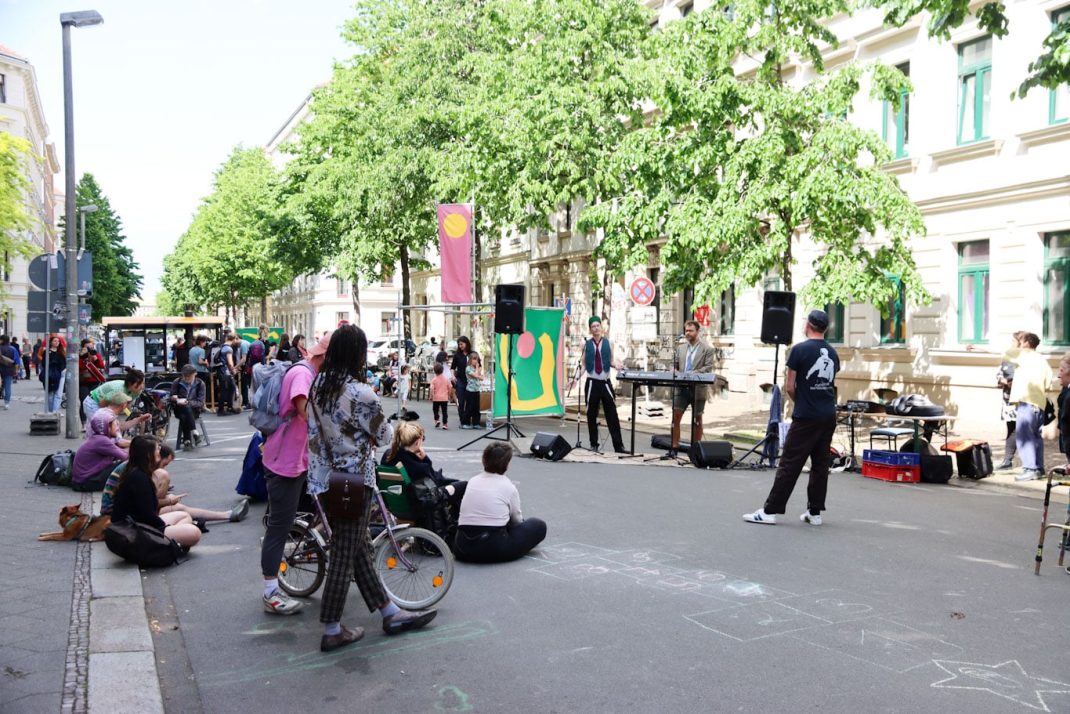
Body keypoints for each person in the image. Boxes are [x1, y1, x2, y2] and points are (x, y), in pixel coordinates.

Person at [306, 325, 436, 652]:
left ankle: (390, 612)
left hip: (324, 479)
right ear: (359, 355)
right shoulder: (362, 393)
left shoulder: (318, 385)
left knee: (358, 547)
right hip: (353, 483)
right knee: (344, 554)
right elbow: (382, 436)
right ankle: (332, 627)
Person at [743, 309, 840, 526]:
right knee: (820, 464)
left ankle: (770, 511)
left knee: (789, 463)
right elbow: (830, 384)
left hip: (806, 415)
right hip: (828, 414)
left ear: (808, 325)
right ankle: (815, 513)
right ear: (825, 328)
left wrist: (802, 401)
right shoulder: (833, 353)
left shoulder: (799, 350)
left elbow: (790, 386)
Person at [259, 331, 329, 616]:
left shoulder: (307, 371)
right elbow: (305, 411)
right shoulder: (302, 374)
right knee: (279, 527)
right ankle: (270, 592)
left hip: (297, 459)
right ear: (324, 355)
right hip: (284, 462)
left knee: (316, 510)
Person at [454, 443, 547, 563]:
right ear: (507, 465)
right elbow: (516, 521)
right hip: (492, 549)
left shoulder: (472, 481)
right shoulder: (508, 486)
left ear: (484, 460)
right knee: (538, 525)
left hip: (462, 547)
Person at [111, 435, 201, 549]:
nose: (159, 450)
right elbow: (147, 515)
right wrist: (164, 527)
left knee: (185, 516)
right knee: (195, 533)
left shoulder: (137, 471)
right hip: (135, 531)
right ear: (148, 454)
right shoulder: (138, 477)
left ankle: (170, 541)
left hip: (139, 524)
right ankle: (165, 544)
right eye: (157, 448)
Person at [380, 421, 467, 533]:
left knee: (455, 484)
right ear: (417, 442)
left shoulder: (388, 455)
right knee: (463, 485)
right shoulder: (419, 467)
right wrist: (425, 459)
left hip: (397, 505)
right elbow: (435, 482)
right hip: (418, 505)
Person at [1006, 332, 1053, 481]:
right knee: (1035, 437)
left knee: (1024, 436)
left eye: (1020, 341)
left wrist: (975, 348)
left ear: (1026, 343)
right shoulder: (1042, 360)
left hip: (1027, 401)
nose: (1018, 344)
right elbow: (1048, 383)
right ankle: (1038, 468)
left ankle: (1030, 468)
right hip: (1039, 403)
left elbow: (1001, 353)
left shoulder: (1024, 355)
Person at [666, 320, 717, 457]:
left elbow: (708, 367)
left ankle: (696, 450)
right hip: (681, 388)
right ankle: (674, 448)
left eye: (690, 331)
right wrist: (673, 369)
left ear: (697, 332)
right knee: (676, 417)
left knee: (697, 419)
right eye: (686, 331)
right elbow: (674, 364)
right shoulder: (680, 348)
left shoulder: (707, 349)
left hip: (698, 388)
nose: (687, 333)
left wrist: (695, 373)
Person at [579, 316, 626, 454]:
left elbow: (610, 360)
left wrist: (616, 365)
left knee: (612, 414)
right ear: (590, 329)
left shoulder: (609, 342)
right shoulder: (586, 344)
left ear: (601, 327)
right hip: (592, 382)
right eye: (593, 326)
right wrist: (575, 379)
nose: (595, 328)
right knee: (591, 414)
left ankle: (619, 446)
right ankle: (594, 444)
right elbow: (583, 365)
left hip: (605, 382)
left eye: (597, 326)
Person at [72, 410, 129, 491]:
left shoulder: (98, 438)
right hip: (86, 482)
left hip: (82, 481)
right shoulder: (102, 441)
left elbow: (119, 451)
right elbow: (125, 456)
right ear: (107, 427)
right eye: (115, 424)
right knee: (127, 464)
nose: (118, 426)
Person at [995, 332, 1026, 470]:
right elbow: (999, 373)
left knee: (1025, 431)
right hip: (1008, 399)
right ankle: (1007, 460)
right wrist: (1001, 380)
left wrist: (1013, 382)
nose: (1011, 343)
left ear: (1020, 342)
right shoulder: (1008, 356)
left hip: (1022, 400)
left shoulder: (1026, 358)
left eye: (1014, 340)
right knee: (1011, 429)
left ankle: (1030, 464)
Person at [83, 370, 150, 433]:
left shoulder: (137, 391)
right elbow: (102, 404)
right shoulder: (118, 390)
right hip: (93, 402)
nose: (142, 386)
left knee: (109, 428)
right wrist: (111, 417)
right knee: (102, 429)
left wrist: (130, 415)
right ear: (130, 383)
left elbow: (127, 404)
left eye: (143, 383)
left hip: (105, 404)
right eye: (139, 383)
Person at [170, 365, 206, 450]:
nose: (186, 378)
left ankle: (187, 441)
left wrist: (189, 402)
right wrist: (173, 398)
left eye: (188, 376)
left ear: (194, 374)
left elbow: (201, 402)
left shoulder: (200, 384)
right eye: (184, 376)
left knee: (185, 414)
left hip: (195, 410)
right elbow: (171, 397)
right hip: (179, 409)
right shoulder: (177, 382)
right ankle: (194, 432)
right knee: (184, 409)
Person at [78, 338, 107, 423]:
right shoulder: (80, 355)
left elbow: (101, 366)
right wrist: (83, 357)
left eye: (91, 346)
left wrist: (95, 359)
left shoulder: (95, 353)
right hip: (83, 381)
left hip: (95, 381)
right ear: (83, 347)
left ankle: (94, 422)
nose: (90, 349)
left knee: (95, 402)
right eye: (87, 347)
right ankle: (83, 423)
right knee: (84, 402)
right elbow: (79, 367)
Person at [215, 334, 240, 415]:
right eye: (236, 339)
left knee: (230, 388)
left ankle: (229, 407)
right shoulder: (228, 349)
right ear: (233, 339)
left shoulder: (222, 346)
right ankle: (221, 410)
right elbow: (230, 362)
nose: (236, 341)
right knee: (225, 390)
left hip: (221, 371)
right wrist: (233, 370)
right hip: (225, 372)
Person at [39, 335, 66, 412]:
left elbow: (64, 363)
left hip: (61, 374)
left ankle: (55, 411)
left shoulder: (61, 352)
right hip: (50, 374)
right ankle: (51, 412)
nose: (57, 342)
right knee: (50, 394)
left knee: (58, 394)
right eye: (55, 341)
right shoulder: (46, 352)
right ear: (51, 342)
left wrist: (65, 369)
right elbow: (44, 364)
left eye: (58, 341)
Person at [451, 336, 472, 425]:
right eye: (459, 344)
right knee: (461, 400)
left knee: (470, 401)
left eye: (461, 344)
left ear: (466, 343)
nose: (460, 346)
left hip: (471, 380)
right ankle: (462, 420)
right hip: (460, 380)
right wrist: (452, 376)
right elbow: (452, 367)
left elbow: (478, 365)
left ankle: (467, 419)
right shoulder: (457, 355)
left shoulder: (472, 354)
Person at [462, 352, 484, 429]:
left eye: (477, 359)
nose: (476, 361)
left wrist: (478, 373)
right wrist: (478, 369)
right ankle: (465, 423)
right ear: (470, 360)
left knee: (476, 408)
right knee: (469, 407)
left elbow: (481, 377)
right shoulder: (468, 368)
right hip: (470, 390)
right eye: (474, 359)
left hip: (476, 390)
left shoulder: (475, 369)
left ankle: (476, 423)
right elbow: (475, 375)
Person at [0, 335, 18, 410]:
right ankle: (7, 403)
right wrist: (16, 371)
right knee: (8, 387)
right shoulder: (13, 349)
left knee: (1, 385)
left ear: (2, 340)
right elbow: (16, 361)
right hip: (9, 370)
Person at [430, 362, 450, 429]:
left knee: (435, 410)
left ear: (435, 371)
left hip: (436, 398)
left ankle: (437, 420)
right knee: (444, 411)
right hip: (444, 398)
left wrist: (431, 396)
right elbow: (450, 387)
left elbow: (432, 389)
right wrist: (449, 395)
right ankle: (445, 424)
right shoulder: (446, 379)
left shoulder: (434, 380)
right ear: (442, 370)